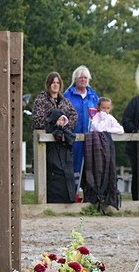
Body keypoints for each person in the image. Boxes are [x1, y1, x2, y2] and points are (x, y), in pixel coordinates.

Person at [30, 72, 77, 204]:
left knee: (62, 172)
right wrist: (54, 123)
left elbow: (74, 115)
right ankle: (43, 200)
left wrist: (64, 125)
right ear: (48, 84)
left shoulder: (65, 101)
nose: (55, 85)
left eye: (57, 83)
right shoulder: (40, 100)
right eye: (53, 83)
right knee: (46, 172)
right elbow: (37, 120)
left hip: (61, 146)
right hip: (46, 145)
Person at [65, 65, 100, 196]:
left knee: (90, 165)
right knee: (74, 165)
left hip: (91, 137)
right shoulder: (68, 95)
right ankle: (72, 193)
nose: (83, 80)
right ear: (75, 79)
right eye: (80, 77)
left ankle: (90, 194)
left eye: (85, 77)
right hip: (74, 137)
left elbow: (99, 114)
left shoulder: (93, 96)